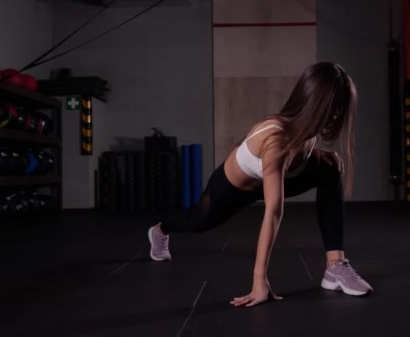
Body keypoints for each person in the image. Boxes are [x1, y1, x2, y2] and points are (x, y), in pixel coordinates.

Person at [148, 62, 373, 307]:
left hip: (275, 174)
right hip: (234, 188)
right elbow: (273, 211)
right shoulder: (275, 138)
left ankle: (335, 267)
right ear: (312, 103)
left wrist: (319, 154)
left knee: (331, 169)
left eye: (341, 108)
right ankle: (160, 230)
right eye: (333, 108)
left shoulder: (308, 129)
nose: (337, 115)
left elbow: (295, 152)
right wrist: (259, 279)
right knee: (197, 221)